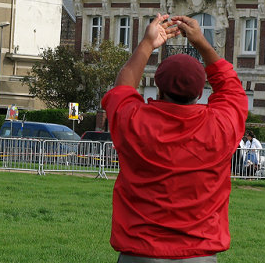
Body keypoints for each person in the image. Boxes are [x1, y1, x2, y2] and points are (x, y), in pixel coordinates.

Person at [102, 14, 248, 262]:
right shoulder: (220, 126)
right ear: (201, 92)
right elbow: (230, 86)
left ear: (158, 89)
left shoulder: (135, 122)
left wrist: (148, 43)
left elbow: (123, 87)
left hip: (140, 253)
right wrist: (202, 42)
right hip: (200, 254)